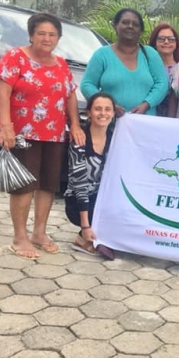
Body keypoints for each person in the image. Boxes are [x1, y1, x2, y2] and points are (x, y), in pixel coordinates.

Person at [0, 12, 84, 260]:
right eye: (41, 33)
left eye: (52, 34)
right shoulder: (16, 57)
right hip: (22, 132)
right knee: (23, 186)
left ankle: (39, 233)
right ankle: (19, 237)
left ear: (58, 38)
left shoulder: (62, 64)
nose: (47, 38)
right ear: (31, 35)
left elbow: (70, 95)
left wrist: (74, 125)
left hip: (54, 134)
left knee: (47, 185)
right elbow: (3, 90)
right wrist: (6, 125)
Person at [81, 8, 169, 117]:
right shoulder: (102, 55)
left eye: (135, 24)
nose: (130, 26)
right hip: (109, 123)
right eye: (125, 22)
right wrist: (108, 105)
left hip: (146, 123)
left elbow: (162, 83)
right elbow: (87, 84)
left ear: (140, 30)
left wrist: (147, 104)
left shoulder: (150, 54)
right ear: (115, 26)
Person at [65, 92, 116, 260]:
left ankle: (94, 236)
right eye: (98, 109)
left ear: (113, 113)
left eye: (108, 109)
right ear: (89, 112)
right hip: (78, 202)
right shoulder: (79, 140)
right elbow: (80, 186)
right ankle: (84, 236)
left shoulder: (114, 140)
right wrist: (86, 225)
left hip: (101, 198)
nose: (103, 114)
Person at [148, 22, 179, 116]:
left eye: (171, 39)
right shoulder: (147, 67)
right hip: (150, 116)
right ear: (154, 42)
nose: (166, 42)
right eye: (161, 39)